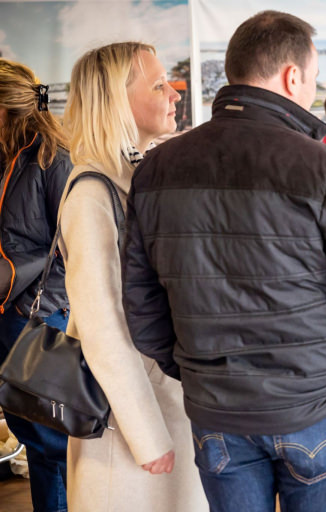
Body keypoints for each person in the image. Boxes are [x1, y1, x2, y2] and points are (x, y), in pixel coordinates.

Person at [120, 11, 326, 512]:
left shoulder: (155, 171)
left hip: (218, 412)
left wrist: (199, 373)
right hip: (317, 405)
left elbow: (141, 305)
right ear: (292, 76)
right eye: (313, 79)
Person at [60, 42, 206, 511]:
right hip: (128, 426)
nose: (175, 93)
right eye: (159, 84)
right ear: (116, 99)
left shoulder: (133, 178)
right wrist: (147, 436)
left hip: (165, 403)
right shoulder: (91, 193)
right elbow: (100, 327)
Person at [0, 58, 72, 512]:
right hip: (8, 315)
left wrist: (40, 307)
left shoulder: (52, 158)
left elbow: (74, 247)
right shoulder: (6, 154)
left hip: (36, 319)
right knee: (28, 432)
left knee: (51, 445)